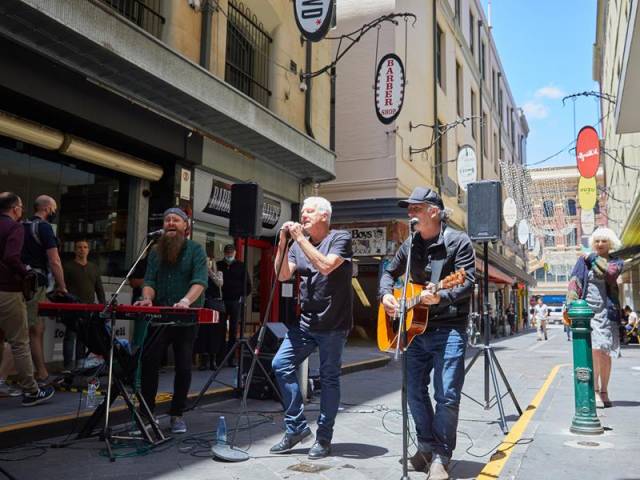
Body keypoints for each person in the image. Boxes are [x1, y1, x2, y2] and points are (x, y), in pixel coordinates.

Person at [379, 187, 475, 480]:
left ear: (434, 211)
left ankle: (441, 457)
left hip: (449, 328)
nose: (410, 214)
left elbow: (467, 282)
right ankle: (425, 447)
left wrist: (441, 297)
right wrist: (386, 295)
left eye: (416, 209)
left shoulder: (458, 242)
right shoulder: (410, 245)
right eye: (408, 209)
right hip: (415, 331)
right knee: (413, 392)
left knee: (446, 394)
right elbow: (388, 273)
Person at [270, 197, 353, 460]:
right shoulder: (296, 244)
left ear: (324, 217)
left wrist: (299, 239)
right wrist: (284, 243)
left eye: (309, 212)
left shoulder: (341, 238)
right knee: (280, 364)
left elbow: (326, 266)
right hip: (306, 322)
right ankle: (296, 428)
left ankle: (324, 438)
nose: (302, 215)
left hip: (334, 323)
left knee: (329, 379)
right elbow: (283, 275)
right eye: (302, 212)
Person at [135, 208, 208, 434]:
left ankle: (177, 414)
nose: (170, 223)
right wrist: (147, 299)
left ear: (186, 226)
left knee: (184, 367)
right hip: (159, 319)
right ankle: (147, 416)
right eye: (167, 220)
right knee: (149, 365)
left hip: (185, 319)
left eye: (176, 220)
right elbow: (149, 280)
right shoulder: (155, 251)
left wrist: (186, 301)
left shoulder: (196, 250)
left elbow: (200, 281)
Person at [0, 192, 55, 406]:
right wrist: (27, 273)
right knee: (19, 341)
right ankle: (32, 391)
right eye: (21, 206)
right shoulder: (14, 227)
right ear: (15, 208)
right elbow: (11, 257)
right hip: (9, 291)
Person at [567, 227, 623, 409]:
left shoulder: (616, 262)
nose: (600, 244)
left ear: (610, 243)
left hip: (607, 313)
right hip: (587, 313)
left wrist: (591, 258)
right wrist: (571, 306)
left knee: (606, 353)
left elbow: (611, 273)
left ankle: (605, 390)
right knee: (596, 350)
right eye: (597, 241)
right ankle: (596, 390)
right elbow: (574, 282)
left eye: (604, 241)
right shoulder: (582, 263)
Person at [21, 194, 67, 383]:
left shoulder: (20, 226)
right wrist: (62, 285)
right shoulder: (44, 227)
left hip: (17, 282)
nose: (55, 212)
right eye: (54, 208)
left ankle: (41, 371)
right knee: (32, 330)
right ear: (47, 209)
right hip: (35, 284)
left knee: (34, 327)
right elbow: (54, 260)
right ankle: (38, 373)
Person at [62, 239, 106, 370]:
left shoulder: (94, 268)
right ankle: (68, 367)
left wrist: (103, 305)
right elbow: (62, 287)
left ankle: (80, 365)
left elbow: (99, 289)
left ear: (88, 250)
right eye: (79, 247)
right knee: (70, 337)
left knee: (83, 338)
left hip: (88, 308)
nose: (82, 249)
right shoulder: (68, 267)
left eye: (85, 247)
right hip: (71, 307)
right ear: (75, 250)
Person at [216, 244, 251, 367]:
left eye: (231, 253)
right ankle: (219, 359)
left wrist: (241, 297)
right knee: (220, 330)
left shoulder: (241, 266)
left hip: (235, 301)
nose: (229, 255)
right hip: (221, 301)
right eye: (227, 253)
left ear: (235, 253)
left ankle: (231, 359)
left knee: (233, 331)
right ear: (224, 253)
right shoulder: (218, 265)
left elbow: (248, 285)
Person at [193, 259, 225, 370]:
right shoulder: (199, 273)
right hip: (203, 304)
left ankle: (213, 360)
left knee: (214, 334)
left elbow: (219, 283)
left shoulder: (218, 273)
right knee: (203, 333)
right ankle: (203, 361)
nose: (207, 264)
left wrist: (210, 271)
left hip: (215, 306)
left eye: (209, 261)